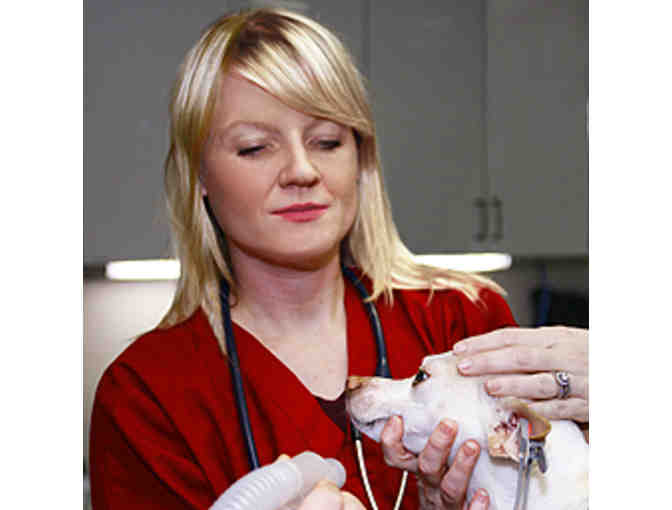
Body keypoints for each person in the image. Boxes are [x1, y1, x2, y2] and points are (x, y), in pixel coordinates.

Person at [89, 7, 588, 510]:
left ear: (361, 159)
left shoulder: (460, 320)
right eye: (255, 148)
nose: (302, 170)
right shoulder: (147, 395)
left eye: (327, 141)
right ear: (198, 176)